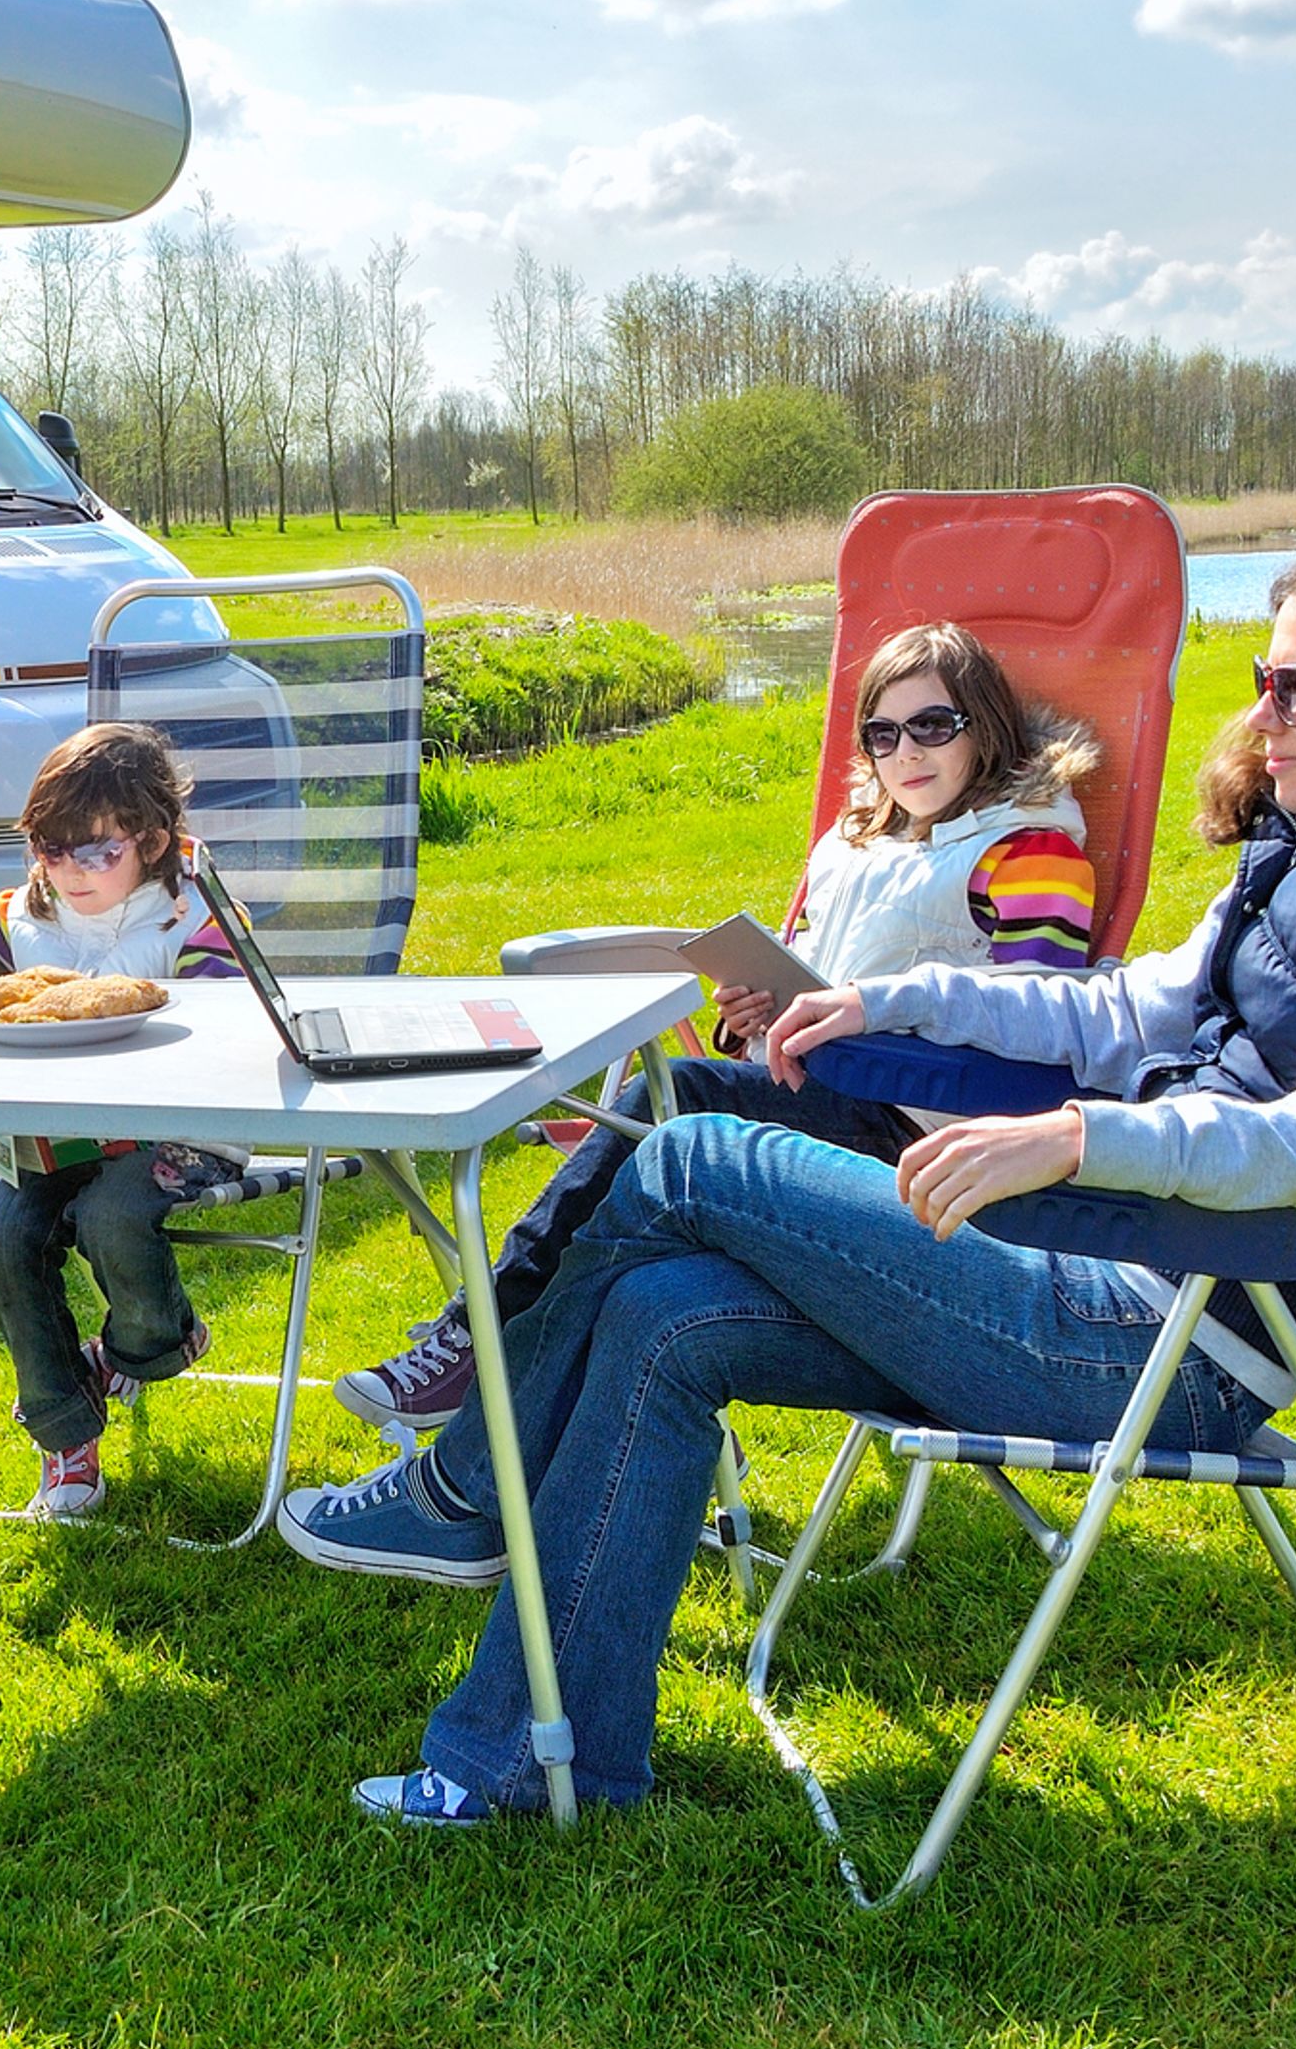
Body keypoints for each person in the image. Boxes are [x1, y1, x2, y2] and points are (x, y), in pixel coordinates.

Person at [290, 501, 1296, 1823]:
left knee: (686, 1154)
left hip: (1176, 1337)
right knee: (657, 1315)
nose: (1263, 715)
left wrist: (1078, 1134)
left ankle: (469, 1486)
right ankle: (521, 1762)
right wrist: (897, 1003)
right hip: (1086, 1257)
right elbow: (1121, 1011)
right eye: (1263, 680)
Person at [311, 622, 1101, 1478]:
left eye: (933, 727)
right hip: (815, 1089)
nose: (906, 752)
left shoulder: (1028, 849)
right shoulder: (855, 846)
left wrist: (858, 1030)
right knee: (641, 1193)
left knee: (671, 1095)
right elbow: (811, 983)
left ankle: (483, 1337)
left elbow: (1034, 1025)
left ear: (982, 727)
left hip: (921, 1132)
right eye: (883, 732)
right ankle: (506, 1406)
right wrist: (756, 1015)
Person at [0, 722, 242, 1520]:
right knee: (1, 1235)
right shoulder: (23, 919)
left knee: (114, 1214)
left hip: (174, 1132)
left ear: (150, 841)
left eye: (97, 851)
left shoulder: (193, 916)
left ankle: (144, 1346)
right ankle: (64, 1434)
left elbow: (231, 1014)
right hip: (51, 1138)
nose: (70, 870)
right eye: (49, 847)